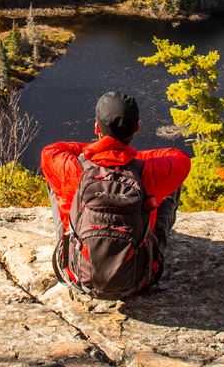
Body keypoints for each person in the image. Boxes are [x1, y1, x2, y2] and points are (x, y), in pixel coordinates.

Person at [41, 91, 190, 299]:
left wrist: (95, 151)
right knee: (170, 184)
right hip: (139, 279)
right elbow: (180, 158)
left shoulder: (75, 168)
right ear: (136, 128)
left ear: (96, 127)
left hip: (76, 275)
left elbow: (51, 150)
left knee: (55, 179)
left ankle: (71, 246)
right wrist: (127, 155)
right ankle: (148, 250)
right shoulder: (146, 173)